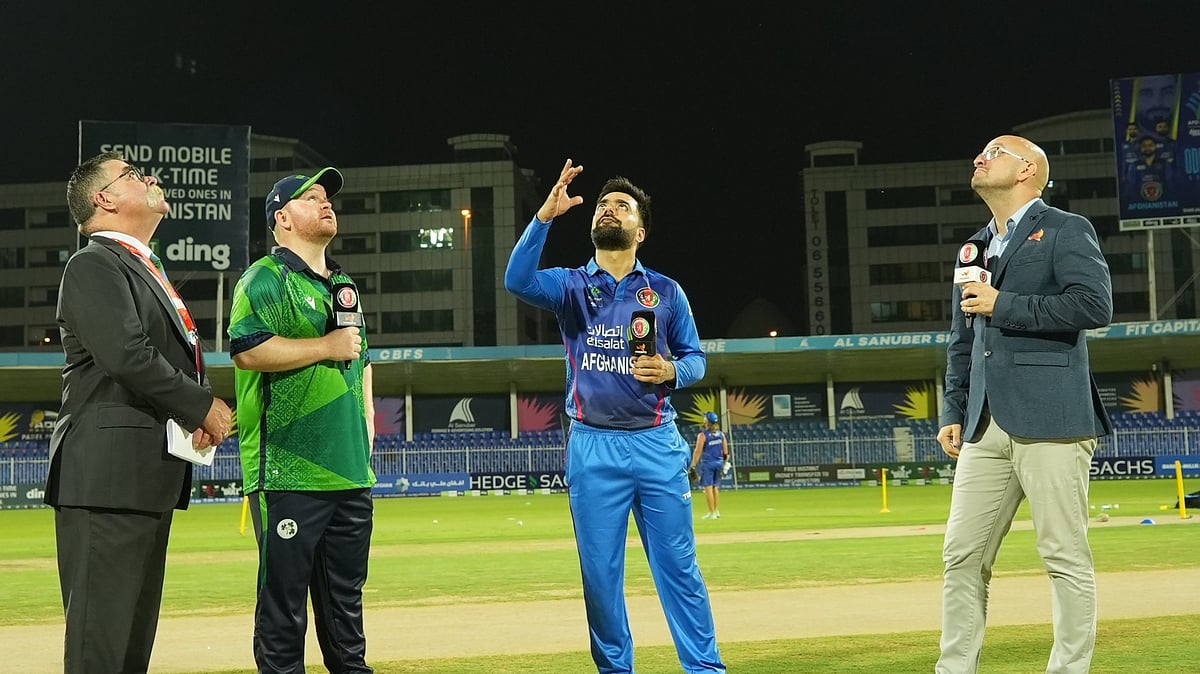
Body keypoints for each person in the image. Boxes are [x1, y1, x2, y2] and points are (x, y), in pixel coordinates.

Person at [504, 160, 725, 673]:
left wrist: (671, 370)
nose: (608, 208)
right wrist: (544, 215)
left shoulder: (667, 292)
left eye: (621, 206)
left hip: (656, 442)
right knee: (600, 579)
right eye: (603, 204)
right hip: (593, 446)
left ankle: (705, 668)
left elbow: (697, 360)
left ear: (639, 231)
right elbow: (516, 279)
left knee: (680, 569)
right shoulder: (570, 285)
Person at [47, 151, 232, 673]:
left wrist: (192, 413)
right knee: (99, 649)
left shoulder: (141, 266)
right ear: (103, 200)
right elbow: (128, 354)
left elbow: (163, 355)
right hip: (105, 481)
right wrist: (201, 405)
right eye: (131, 175)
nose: (150, 177)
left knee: (129, 649)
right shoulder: (92, 263)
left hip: (140, 478)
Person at [936, 136, 1113, 674]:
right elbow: (962, 339)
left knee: (1064, 557)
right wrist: (953, 409)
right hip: (984, 425)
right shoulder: (973, 247)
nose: (979, 157)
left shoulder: (1065, 228)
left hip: (1052, 419)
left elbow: (1094, 305)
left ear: (1027, 170)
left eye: (995, 152)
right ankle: (955, 668)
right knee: (962, 557)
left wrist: (1002, 303)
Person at [228, 167, 377, 673]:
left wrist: (367, 439)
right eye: (310, 198)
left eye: (327, 197)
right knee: (284, 607)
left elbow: (362, 366)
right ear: (282, 217)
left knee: (346, 604)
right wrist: (325, 346)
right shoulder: (264, 278)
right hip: (288, 472)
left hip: (350, 473)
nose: (325, 203)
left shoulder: (344, 285)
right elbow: (246, 351)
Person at [690, 411, 729, 520]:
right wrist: (725, 464)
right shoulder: (721, 434)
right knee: (715, 487)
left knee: (708, 488)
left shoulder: (703, 435)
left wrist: (693, 465)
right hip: (719, 463)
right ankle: (716, 511)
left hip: (708, 463)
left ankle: (711, 512)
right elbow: (726, 451)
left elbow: (698, 451)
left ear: (707, 421)